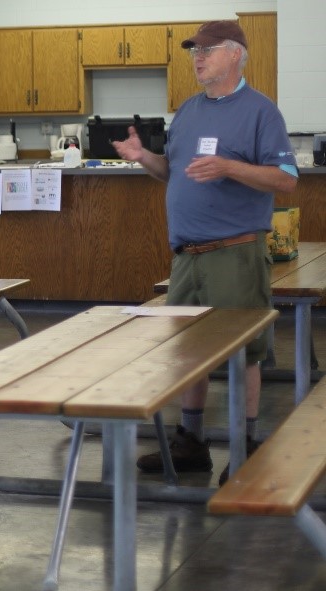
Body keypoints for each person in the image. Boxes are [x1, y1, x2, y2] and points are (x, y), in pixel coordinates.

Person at [113, 20, 298, 485]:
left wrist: (230, 167)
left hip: (234, 253)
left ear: (235, 54)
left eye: (208, 50)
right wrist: (144, 159)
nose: (197, 57)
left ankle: (246, 445)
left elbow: (286, 179)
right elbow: (173, 173)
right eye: (194, 50)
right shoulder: (189, 111)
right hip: (186, 255)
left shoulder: (261, 112)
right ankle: (191, 442)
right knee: (188, 353)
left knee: (243, 353)